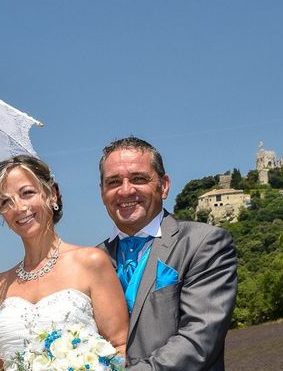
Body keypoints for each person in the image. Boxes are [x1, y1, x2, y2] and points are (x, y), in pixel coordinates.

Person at [0, 155, 129, 371]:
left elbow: (120, 347)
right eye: (6, 201)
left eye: (27, 193)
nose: (19, 207)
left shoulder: (90, 262)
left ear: (51, 194)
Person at [97, 137, 237, 371]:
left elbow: (198, 340)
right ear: (102, 192)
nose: (125, 190)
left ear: (164, 186)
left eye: (138, 178)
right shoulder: (88, 261)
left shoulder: (204, 243)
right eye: (113, 182)